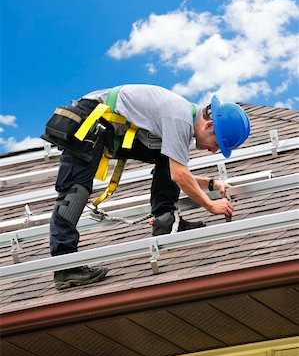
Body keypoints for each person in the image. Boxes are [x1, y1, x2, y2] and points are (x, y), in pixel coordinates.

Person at [42, 84, 250, 290]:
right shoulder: (179, 117)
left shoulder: (183, 121)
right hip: (91, 121)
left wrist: (212, 184)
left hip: (109, 128)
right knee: (75, 192)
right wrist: (211, 206)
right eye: (218, 144)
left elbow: (176, 170)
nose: (214, 151)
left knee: (165, 157)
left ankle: (165, 220)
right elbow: (179, 174)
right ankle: (64, 266)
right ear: (209, 126)